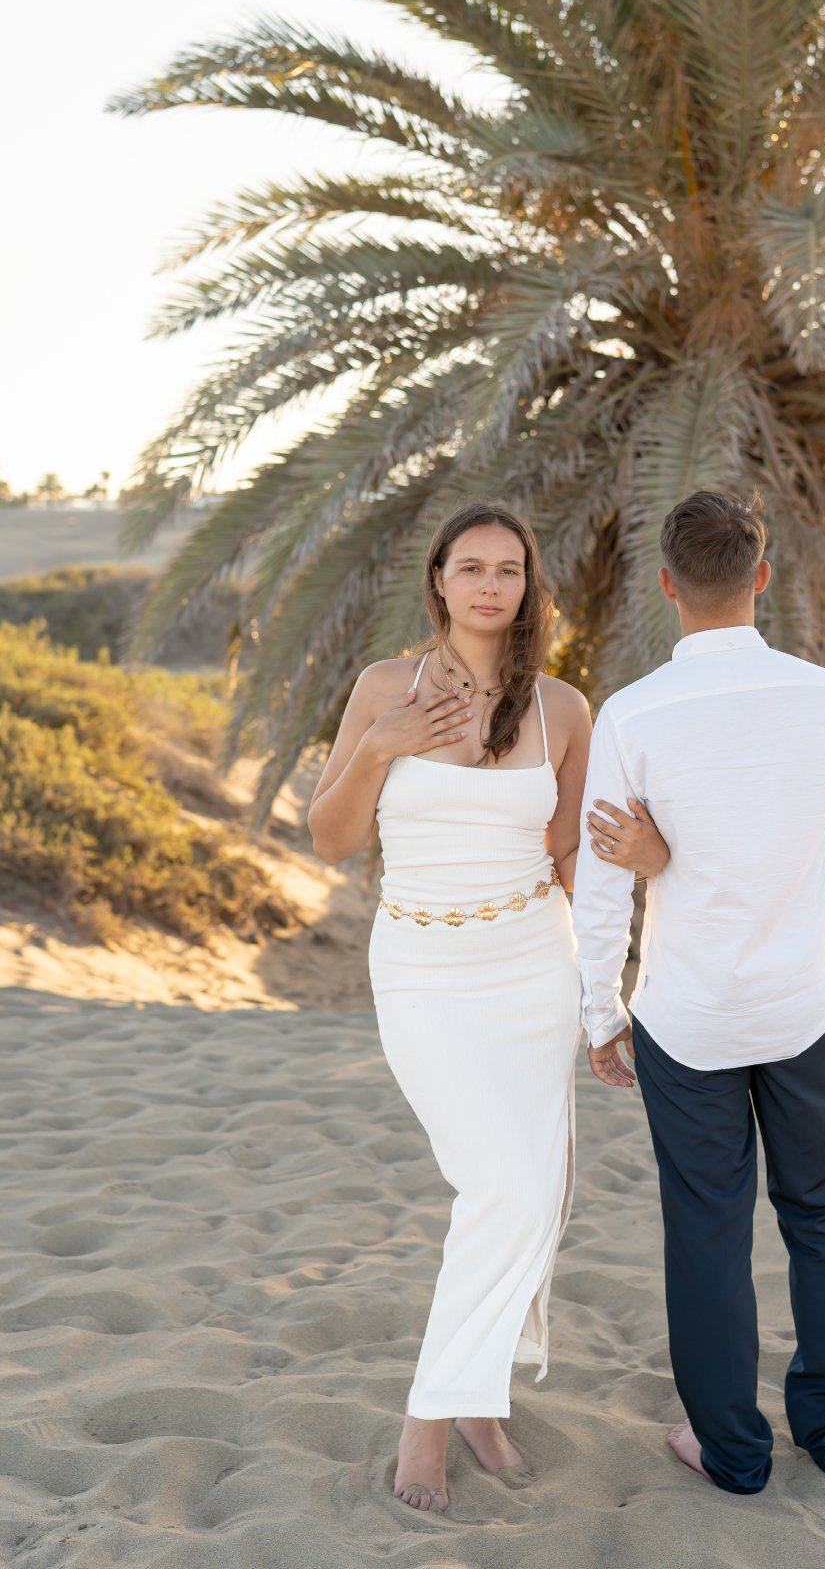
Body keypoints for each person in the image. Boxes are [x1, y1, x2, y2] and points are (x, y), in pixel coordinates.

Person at [307, 500, 664, 1515]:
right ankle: (433, 1414)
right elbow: (332, 839)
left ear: (528, 589)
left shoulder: (564, 709)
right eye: (472, 567)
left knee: (534, 1194)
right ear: (439, 582)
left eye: (509, 569)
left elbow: (572, 857)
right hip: (420, 969)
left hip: (530, 968)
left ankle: (473, 1403)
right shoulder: (386, 688)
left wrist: (620, 946)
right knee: (501, 1183)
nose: (490, 585)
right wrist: (380, 745)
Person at [572, 488, 825, 1496]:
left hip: (687, 1018)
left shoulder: (633, 714)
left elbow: (605, 878)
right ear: (763, 574)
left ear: (667, 586)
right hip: (802, 1004)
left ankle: (733, 1452)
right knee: (819, 1214)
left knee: (706, 1230)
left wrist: (601, 1015)